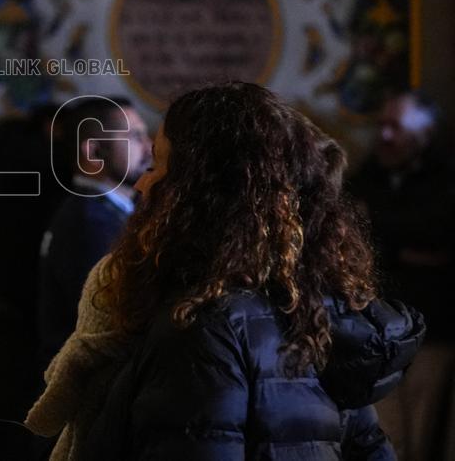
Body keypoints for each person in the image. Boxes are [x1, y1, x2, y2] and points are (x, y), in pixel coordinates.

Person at [26, 82, 425, 460]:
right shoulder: (308, 311)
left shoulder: (202, 327)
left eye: (159, 164)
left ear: (198, 195)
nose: (143, 183)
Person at [349, 91, 455, 460]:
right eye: (382, 125)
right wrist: (404, 248)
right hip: (379, 328)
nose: (386, 135)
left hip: (432, 328)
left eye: (396, 126)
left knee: (425, 430)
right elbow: (351, 228)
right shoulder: (369, 175)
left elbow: (438, 231)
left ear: (425, 133)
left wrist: (378, 230)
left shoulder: (444, 178)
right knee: (386, 434)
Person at [37, 96, 150, 368]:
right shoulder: (90, 222)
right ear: (94, 152)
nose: (150, 147)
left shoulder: (100, 211)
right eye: (135, 137)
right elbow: (112, 324)